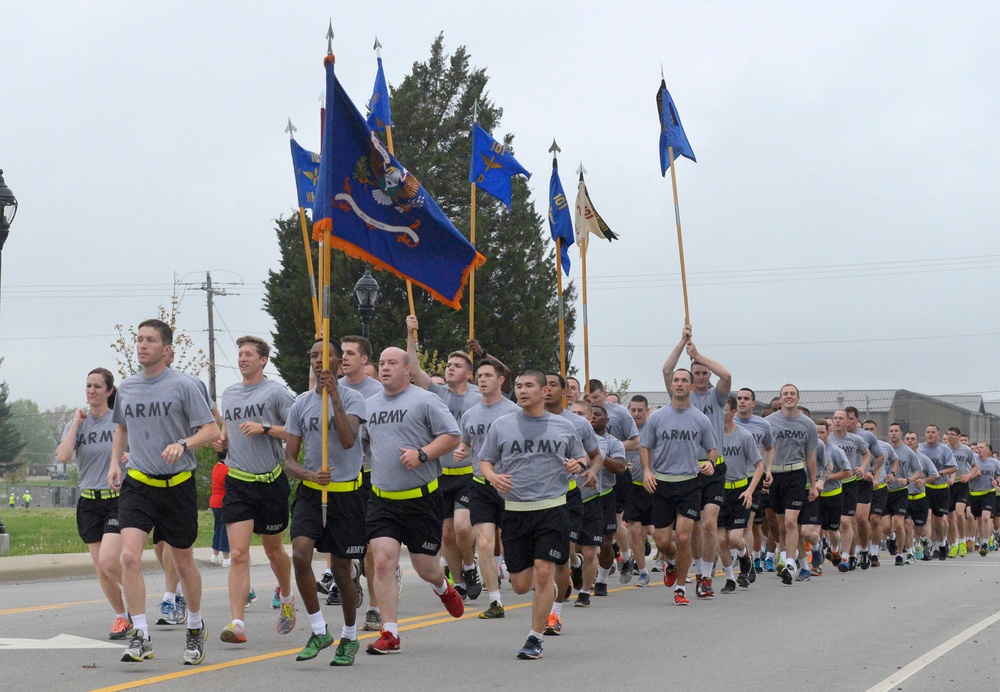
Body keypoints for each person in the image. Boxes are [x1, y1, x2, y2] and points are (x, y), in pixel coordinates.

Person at [108, 318, 219, 665]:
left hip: (177, 485)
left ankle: (196, 627)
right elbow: (121, 428)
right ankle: (141, 634)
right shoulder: (126, 388)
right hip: (139, 482)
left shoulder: (184, 386)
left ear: (166, 350)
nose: (142, 345)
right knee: (129, 556)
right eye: (139, 339)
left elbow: (213, 430)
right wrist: (115, 463)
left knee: (184, 563)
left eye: (150, 340)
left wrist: (184, 443)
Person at [479, 370, 588, 660]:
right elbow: (485, 460)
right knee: (520, 585)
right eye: (518, 385)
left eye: (529, 385)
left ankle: (534, 637)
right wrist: (492, 477)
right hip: (515, 512)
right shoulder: (502, 425)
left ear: (544, 391)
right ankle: (548, 586)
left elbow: (583, 456)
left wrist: (578, 464)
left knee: (543, 570)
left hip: (552, 509)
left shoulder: (562, 426)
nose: (522, 390)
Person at [363, 346, 464, 655]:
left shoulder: (425, 399)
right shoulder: (368, 406)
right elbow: (361, 444)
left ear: (407, 369)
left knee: (426, 569)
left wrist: (422, 454)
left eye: (392, 363)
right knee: (382, 561)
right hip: (382, 498)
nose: (385, 368)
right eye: (381, 363)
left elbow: (452, 435)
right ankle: (390, 632)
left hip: (422, 499)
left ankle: (442, 586)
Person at [286, 340, 368, 666]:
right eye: (313, 356)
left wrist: (334, 395)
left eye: (325, 355)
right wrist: (308, 473)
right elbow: (288, 461)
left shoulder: (354, 398)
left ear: (339, 361)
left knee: (340, 570)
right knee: (300, 553)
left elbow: (348, 440)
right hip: (311, 490)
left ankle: (349, 635)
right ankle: (319, 629)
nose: (319, 361)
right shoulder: (301, 404)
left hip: (346, 494)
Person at [214, 336, 296, 645]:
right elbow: (228, 431)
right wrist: (221, 441)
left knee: (274, 550)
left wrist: (264, 428)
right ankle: (237, 624)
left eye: (249, 354)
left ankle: (287, 597)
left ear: (263, 360)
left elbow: (295, 429)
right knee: (238, 554)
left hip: (271, 482)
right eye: (240, 354)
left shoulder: (276, 393)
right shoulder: (230, 393)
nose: (242, 359)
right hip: (237, 482)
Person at [406, 314, 483, 601]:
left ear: (469, 374)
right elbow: (413, 368)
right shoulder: (437, 393)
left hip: (468, 475)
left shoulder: (478, 397)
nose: (451, 369)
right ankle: (460, 582)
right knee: (447, 535)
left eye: (457, 366)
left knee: (463, 526)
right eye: (448, 365)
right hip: (441, 475)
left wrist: (472, 449)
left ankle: (470, 564)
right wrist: (412, 336)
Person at [55, 367, 131, 639]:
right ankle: (123, 616)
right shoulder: (77, 422)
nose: (91, 391)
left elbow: (139, 451)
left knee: (110, 561)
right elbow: (63, 456)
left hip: (116, 500)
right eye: (88, 385)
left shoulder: (119, 420)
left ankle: (137, 595)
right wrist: (75, 423)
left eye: (98, 386)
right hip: (88, 501)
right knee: (101, 568)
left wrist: (129, 458)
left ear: (110, 391)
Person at [640, 368, 718, 605]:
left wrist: (710, 463)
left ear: (692, 387)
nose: (680, 384)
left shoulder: (700, 418)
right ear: (671, 386)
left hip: (689, 484)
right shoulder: (657, 417)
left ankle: (681, 588)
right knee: (663, 541)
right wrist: (646, 471)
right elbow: (645, 446)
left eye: (685, 380)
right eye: (676, 380)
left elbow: (711, 449)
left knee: (684, 537)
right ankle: (672, 561)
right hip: (661, 483)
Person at [337, 335, 392, 631]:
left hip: (370, 473)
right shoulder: (333, 388)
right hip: (341, 475)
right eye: (341, 353)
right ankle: (351, 576)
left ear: (364, 360)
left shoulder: (378, 392)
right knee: (344, 542)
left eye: (349, 353)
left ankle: (374, 607)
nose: (343, 358)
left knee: (371, 544)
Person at [458, 358, 520, 620]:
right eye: (479, 376)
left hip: (510, 485)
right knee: (484, 542)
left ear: (500, 380)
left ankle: (543, 583)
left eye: (487, 376)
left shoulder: (514, 412)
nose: (481, 380)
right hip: (480, 484)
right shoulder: (470, 414)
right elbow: (467, 444)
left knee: (514, 543)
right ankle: (495, 600)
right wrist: (463, 450)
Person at [762, 384, 818, 585]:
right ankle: (794, 561)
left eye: (792, 394)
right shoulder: (768, 423)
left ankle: (791, 563)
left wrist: (813, 484)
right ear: (780, 398)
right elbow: (763, 450)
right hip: (775, 475)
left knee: (791, 521)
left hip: (796, 474)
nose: (788, 397)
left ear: (798, 398)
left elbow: (810, 455)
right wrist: (765, 473)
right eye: (785, 394)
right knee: (780, 525)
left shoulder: (807, 424)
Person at [718, 396, 764, 591]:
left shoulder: (744, 436)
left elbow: (759, 465)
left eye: (723, 410)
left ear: (733, 412)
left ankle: (745, 556)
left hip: (740, 490)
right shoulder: (712, 436)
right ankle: (730, 579)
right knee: (721, 540)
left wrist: (750, 490)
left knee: (735, 538)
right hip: (719, 491)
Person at [919, 425, 958, 560]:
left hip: (941, 489)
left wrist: (940, 473)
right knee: (928, 519)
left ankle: (942, 543)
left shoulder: (944, 449)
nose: (930, 434)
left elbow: (954, 467)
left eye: (933, 432)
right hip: (926, 488)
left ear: (938, 435)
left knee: (939, 522)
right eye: (928, 432)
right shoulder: (920, 448)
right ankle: (932, 548)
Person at [945, 426, 976, 557]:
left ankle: (963, 542)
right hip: (948, 485)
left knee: (959, 514)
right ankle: (954, 544)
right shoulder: (944, 449)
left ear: (958, 436)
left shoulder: (966, 450)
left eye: (952, 434)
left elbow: (975, 466)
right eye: (948, 434)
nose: (949, 436)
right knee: (950, 518)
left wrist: (968, 476)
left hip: (962, 484)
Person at [209, 460, 230, 566]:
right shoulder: (227, 469)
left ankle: (215, 555)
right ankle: (226, 558)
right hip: (223, 501)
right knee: (225, 529)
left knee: (217, 528)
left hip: (214, 500)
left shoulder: (216, 467)